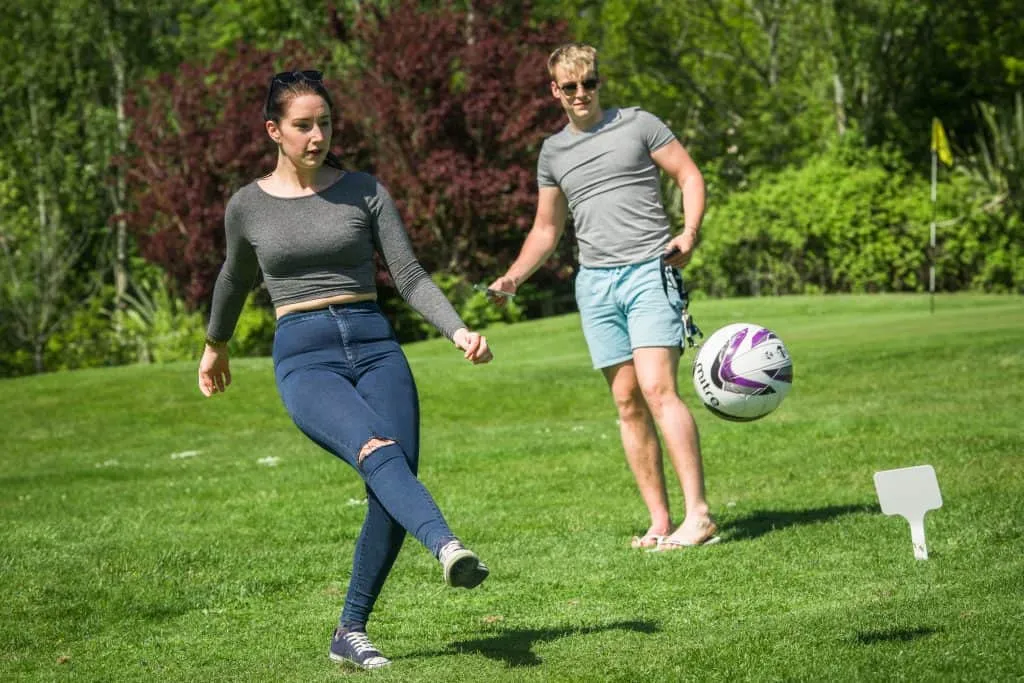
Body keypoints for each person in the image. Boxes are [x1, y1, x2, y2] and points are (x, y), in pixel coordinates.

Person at [197, 69, 491, 670]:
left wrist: (456, 328)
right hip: (306, 357)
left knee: (393, 478)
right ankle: (447, 546)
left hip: (376, 345)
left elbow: (409, 275)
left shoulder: (364, 190)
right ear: (274, 130)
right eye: (303, 126)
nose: (317, 136)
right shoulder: (248, 205)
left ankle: (350, 630)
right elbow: (234, 277)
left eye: (325, 123)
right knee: (376, 451)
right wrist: (215, 344)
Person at [488, 44, 718, 552]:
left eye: (588, 83)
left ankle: (699, 515)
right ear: (555, 91)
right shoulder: (553, 152)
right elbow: (546, 229)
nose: (581, 94)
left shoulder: (639, 124)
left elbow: (689, 175)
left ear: (598, 82)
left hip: (649, 272)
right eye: (570, 86)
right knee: (627, 401)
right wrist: (513, 278)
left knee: (658, 388)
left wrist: (689, 233)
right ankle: (660, 521)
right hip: (595, 284)